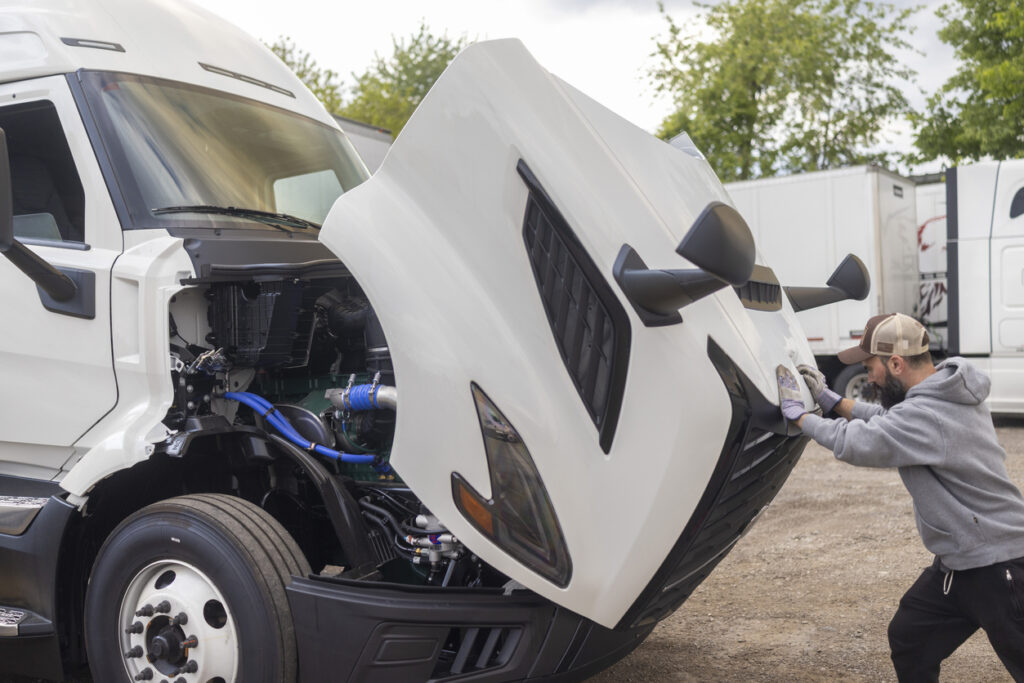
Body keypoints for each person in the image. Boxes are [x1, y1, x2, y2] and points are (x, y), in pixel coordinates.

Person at [776, 312, 1024, 682]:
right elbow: (888, 418)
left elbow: (858, 442)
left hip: (997, 564)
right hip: (961, 560)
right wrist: (832, 401)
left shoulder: (928, 414)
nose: (869, 376)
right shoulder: (946, 394)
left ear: (895, 363)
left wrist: (800, 418)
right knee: (912, 637)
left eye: (870, 365)